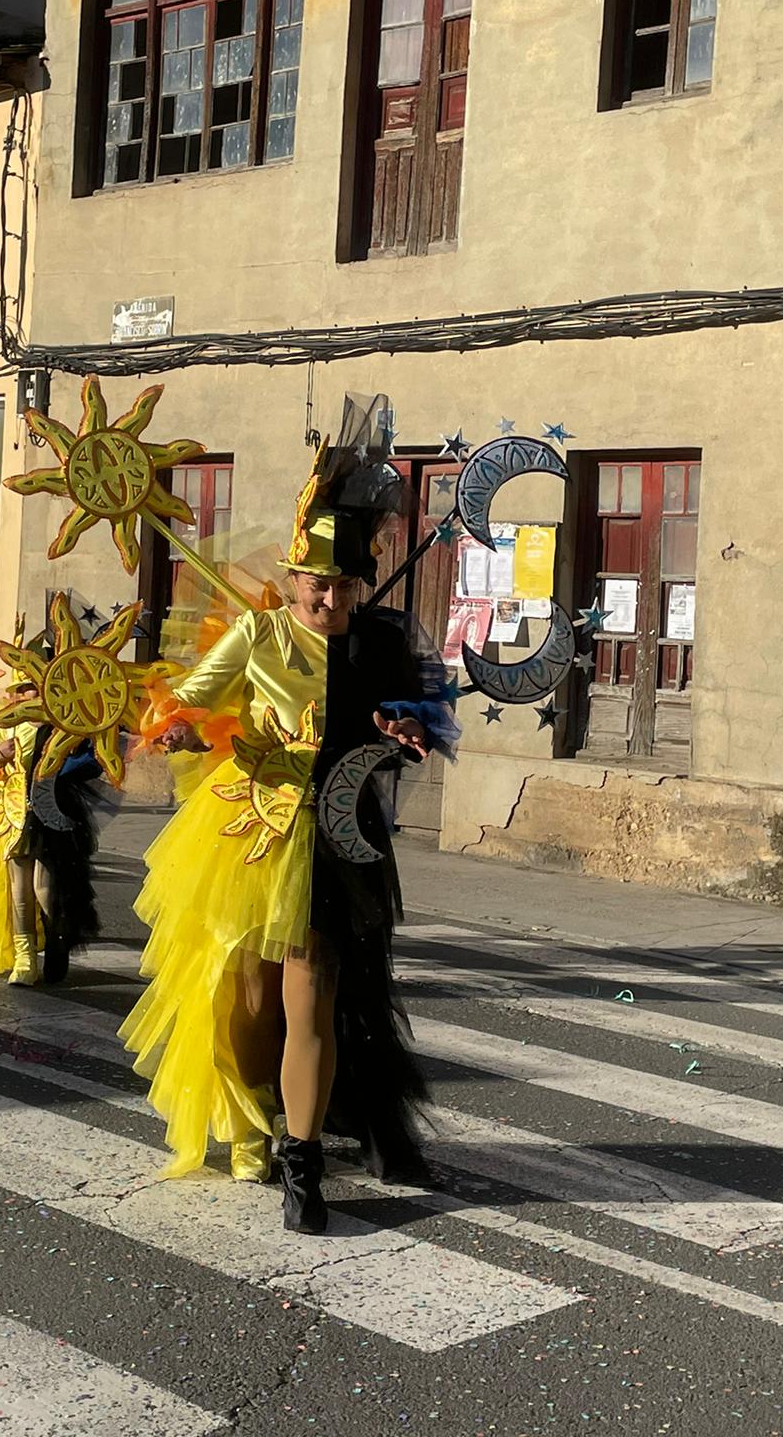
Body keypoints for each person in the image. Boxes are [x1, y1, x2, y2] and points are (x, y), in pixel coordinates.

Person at [121, 403, 454, 1234]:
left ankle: (304, 1168)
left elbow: (415, 718)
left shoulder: (377, 641)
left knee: (313, 999)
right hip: (254, 837)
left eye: (345, 586)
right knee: (250, 997)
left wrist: (404, 728)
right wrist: (183, 722)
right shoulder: (260, 636)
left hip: (339, 840)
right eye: (318, 585)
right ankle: (249, 1111)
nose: (331, 598)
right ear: (296, 578)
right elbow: (186, 700)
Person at [0, 678, 101, 986]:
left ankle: (58, 941)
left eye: (33, 687)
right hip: (13, 816)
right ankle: (25, 959)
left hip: (49, 815)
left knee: (44, 888)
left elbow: (84, 760)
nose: (28, 694)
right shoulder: (5, 723)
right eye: (23, 689)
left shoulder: (58, 721)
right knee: (19, 892)